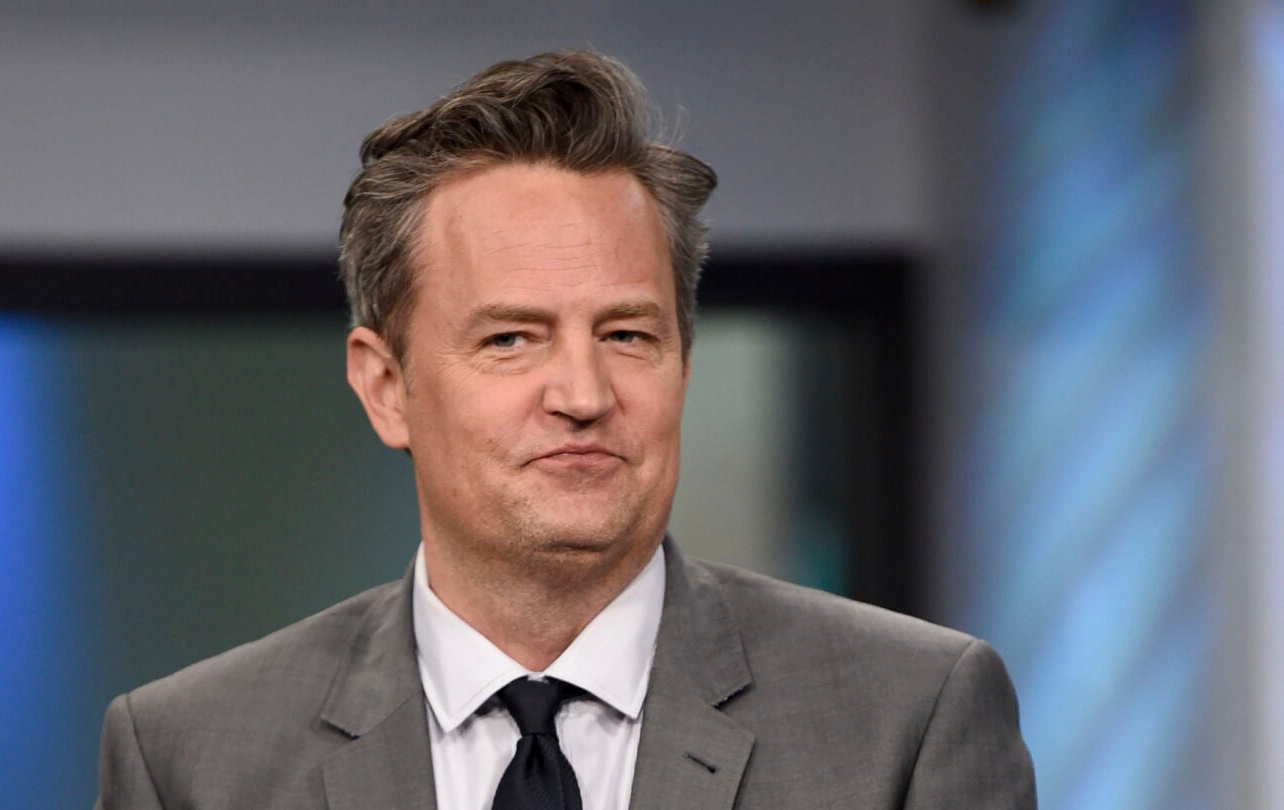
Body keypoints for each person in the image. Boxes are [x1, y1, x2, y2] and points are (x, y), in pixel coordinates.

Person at [95, 50, 1035, 810]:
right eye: (511, 339)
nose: (583, 393)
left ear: (682, 367)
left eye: (628, 335)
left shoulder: (909, 719)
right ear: (386, 388)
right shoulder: (189, 760)